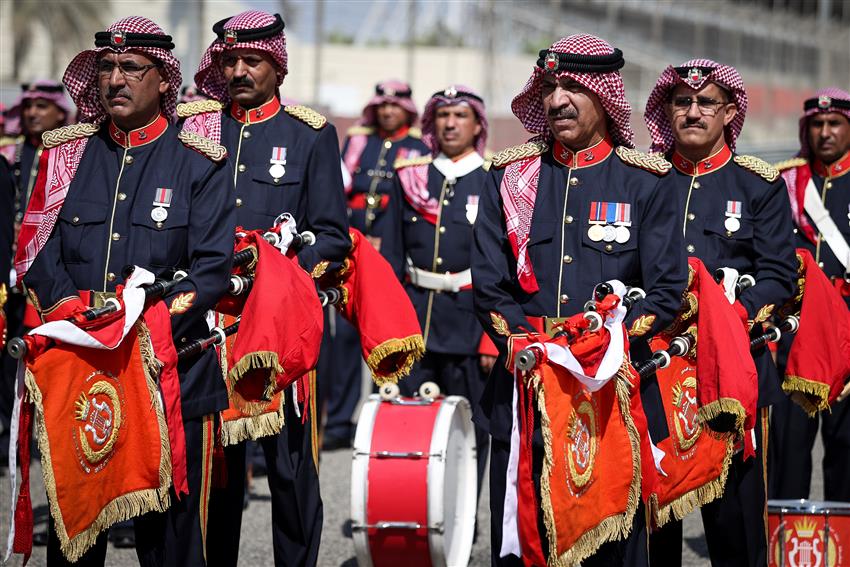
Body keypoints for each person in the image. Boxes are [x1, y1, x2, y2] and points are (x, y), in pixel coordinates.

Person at [16, 16, 235, 566]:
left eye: (131, 68)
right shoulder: (65, 155)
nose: (115, 78)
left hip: (169, 371)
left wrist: (138, 326)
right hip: (81, 371)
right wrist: (77, 314)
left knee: (170, 546)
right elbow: (36, 251)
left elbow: (210, 271)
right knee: (77, 538)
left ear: (164, 80)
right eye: (107, 67)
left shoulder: (198, 161)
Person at [472, 34, 687, 566]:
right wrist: (527, 341)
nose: (557, 100)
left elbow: (665, 291)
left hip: (608, 392)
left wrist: (599, 345)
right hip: (526, 382)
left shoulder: (647, 182)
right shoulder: (510, 176)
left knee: (612, 546)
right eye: (549, 87)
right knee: (525, 539)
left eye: (573, 87)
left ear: (606, 95)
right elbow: (489, 283)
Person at [185, 10, 350, 567]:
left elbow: (333, 236)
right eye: (229, 60)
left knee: (291, 474)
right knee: (217, 476)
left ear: (277, 67)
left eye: (251, 60)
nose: (238, 70)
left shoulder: (310, 134)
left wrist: (280, 266)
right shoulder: (198, 129)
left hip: (283, 328)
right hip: (208, 328)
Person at [643, 59, 798, 567]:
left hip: (730, 372)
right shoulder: (645, 179)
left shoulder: (759, 185)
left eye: (705, 102)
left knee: (735, 531)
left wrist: (732, 312)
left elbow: (779, 275)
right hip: (654, 373)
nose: (692, 111)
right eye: (681, 102)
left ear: (729, 111)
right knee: (653, 530)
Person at [382, 84, 490, 493]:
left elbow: (504, 266)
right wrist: (389, 325)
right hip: (414, 321)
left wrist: (491, 340)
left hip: (469, 325)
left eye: (460, 115)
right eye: (443, 115)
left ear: (478, 124)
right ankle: (414, 510)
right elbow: (392, 255)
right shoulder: (410, 177)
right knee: (409, 425)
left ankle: (459, 516)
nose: (450, 123)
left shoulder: (493, 180)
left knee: (468, 433)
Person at [323, 80, 429, 450]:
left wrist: (390, 238)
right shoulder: (357, 141)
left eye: (394, 107)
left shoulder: (418, 146)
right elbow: (338, 190)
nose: (387, 112)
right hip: (352, 250)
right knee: (346, 337)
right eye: (382, 106)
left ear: (407, 110)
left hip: (390, 252)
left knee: (388, 328)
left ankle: (398, 417)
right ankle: (337, 422)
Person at [770, 87, 850, 502]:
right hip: (795, 340)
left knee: (845, 454)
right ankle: (786, 546)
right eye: (817, 124)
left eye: (834, 123)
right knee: (787, 454)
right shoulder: (787, 182)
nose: (825, 132)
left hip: (846, 339)